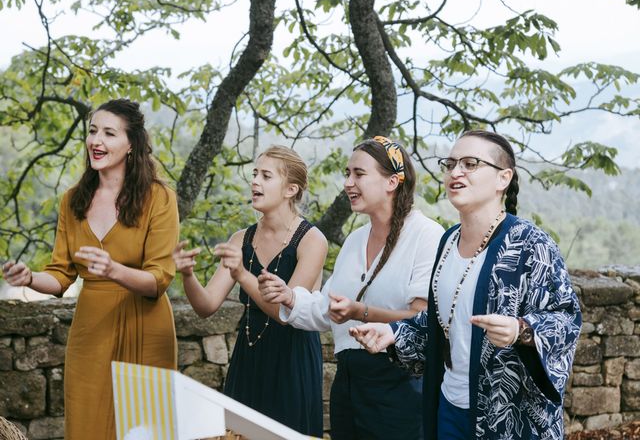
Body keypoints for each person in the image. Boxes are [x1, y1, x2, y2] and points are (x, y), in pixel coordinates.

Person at [350, 130, 582, 439]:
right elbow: (440, 322)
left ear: (504, 178)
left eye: (471, 163)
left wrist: (521, 329)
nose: (455, 172)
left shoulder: (529, 244)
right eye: (451, 164)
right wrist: (392, 334)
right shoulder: (448, 241)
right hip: (449, 406)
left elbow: (566, 319)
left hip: (507, 419)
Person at [1, 99, 180, 440]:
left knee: (146, 430)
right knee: (87, 426)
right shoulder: (73, 199)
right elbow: (60, 275)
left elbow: (158, 280)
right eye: (93, 131)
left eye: (109, 133)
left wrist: (115, 270)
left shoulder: (160, 198)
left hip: (147, 329)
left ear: (131, 145)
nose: (96, 141)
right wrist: (30, 278)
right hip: (91, 330)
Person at [259, 136, 444, 440]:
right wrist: (289, 297)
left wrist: (362, 312)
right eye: (347, 173)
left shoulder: (426, 236)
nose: (348, 182)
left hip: (400, 386)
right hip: (348, 383)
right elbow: (326, 310)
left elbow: (422, 319)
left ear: (392, 182)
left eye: (359, 173)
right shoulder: (355, 240)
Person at [172, 145, 327, 436]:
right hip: (249, 357)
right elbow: (205, 306)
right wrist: (187, 274)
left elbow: (285, 312)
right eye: (255, 174)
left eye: (266, 176)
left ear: (290, 189)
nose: (255, 181)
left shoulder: (312, 240)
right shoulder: (240, 239)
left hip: (292, 362)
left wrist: (242, 274)